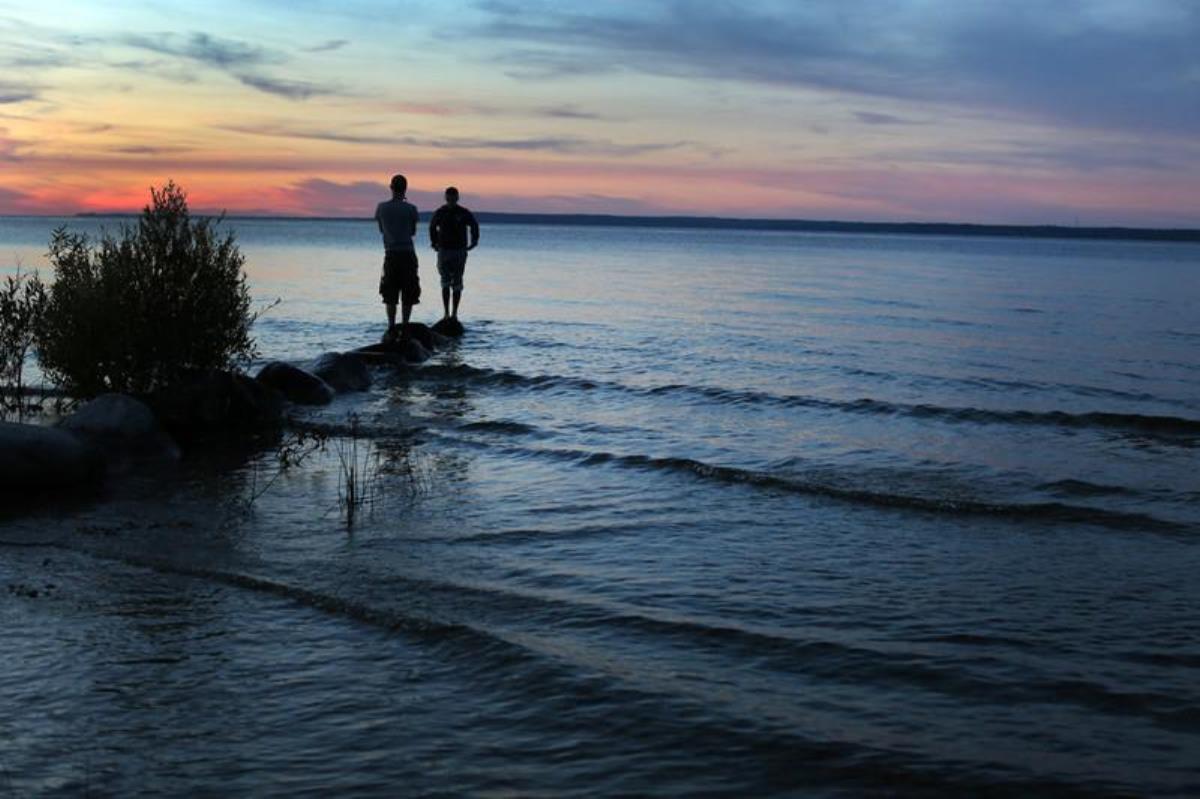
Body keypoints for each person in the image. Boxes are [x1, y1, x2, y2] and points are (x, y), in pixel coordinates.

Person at [375, 173, 420, 341]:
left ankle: (391, 326)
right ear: (405, 188)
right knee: (409, 290)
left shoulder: (381, 208)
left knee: (390, 292)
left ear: (391, 188)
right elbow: (413, 232)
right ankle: (405, 326)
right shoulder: (411, 209)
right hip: (407, 252)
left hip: (391, 253)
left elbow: (381, 229)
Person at [428, 186, 480, 321]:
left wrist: (474, 241)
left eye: (453, 197)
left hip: (458, 251)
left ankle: (454, 314)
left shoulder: (463, 212)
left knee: (456, 283)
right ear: (446, 198)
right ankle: (447, 313)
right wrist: (434, 243)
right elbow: (432, 227)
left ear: (457, 198)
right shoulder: (441, 212)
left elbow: (474, 225)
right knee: (446, 282)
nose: (451, 200)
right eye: (449, 197)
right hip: (445, 250)